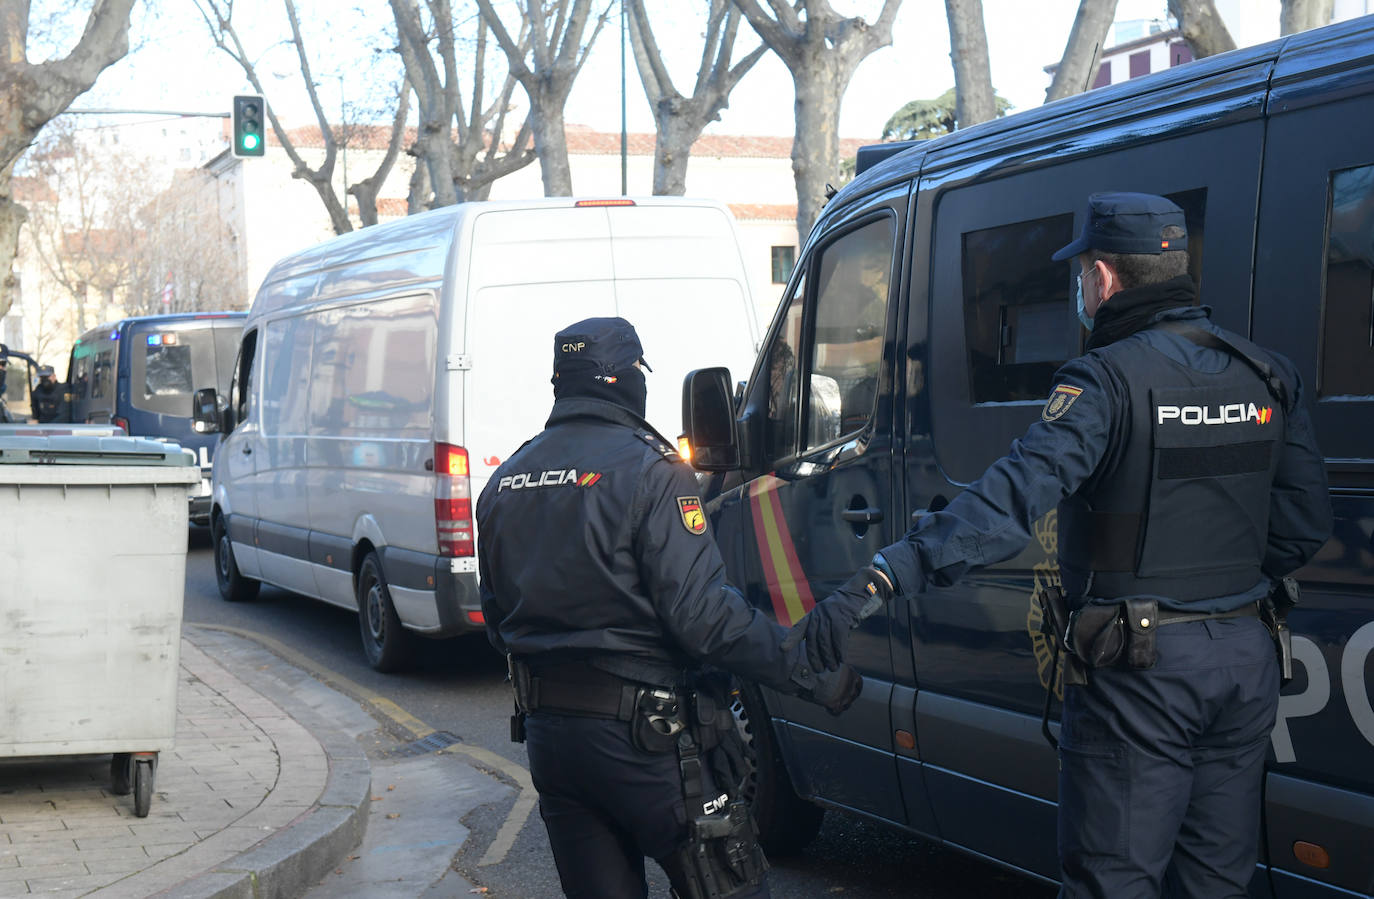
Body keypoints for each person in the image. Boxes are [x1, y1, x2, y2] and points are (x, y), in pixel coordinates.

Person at [792, 193, 1332, 898]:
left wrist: (887, 574)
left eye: (1079, 274)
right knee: (1215, 883)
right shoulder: (1266, 374)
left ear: (1103, 278)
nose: (1080, 288)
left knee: (1113, 880)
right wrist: (1222, 593)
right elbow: (1303, 523)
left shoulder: (1105, 383)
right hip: (1246, 655)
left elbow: (1009, 501)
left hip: (1141, 671)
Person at [476, 316, 891, 899]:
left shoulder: (505, 481)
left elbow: (498, 625)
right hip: (648, 745)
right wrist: (806, 668)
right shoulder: (653, 470)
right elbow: (703, 619)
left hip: (553, 744)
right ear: (623, 380)